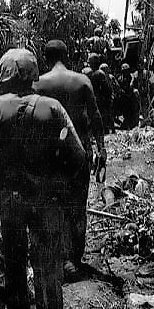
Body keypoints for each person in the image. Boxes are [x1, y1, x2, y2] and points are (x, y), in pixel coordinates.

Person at [0, 48, 86, 309]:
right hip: (47, 200)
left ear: (4, 73)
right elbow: (78, 155)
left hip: (12, 199)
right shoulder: (53, 108)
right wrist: (59, 183)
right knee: (48, 261)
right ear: (33, 74)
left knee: (14, 262)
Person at [33, 40, 107, 278]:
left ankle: (54, 254)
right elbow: (96, 118)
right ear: (67, 56)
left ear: (45, 58)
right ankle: (73, 259)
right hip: (79, 153)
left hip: (49, 156)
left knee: (51, 203)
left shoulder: (38, 84)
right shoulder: (82, 81)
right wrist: (101, 150)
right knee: (77, 207)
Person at [86, 53, 114, 134]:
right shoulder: (99, 73)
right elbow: (106, 88)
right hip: (100, 99)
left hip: (99, 99)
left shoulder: (96, 73)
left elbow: (105, 87)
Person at [117, 63, 141, 129]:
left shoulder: (132, 77)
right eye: (124, 71)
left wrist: (131, 87)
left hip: (132, 95)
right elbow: (119, 88)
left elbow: (133, 86)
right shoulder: (120, 79)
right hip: (125, 97)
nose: (125, 73)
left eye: (126, 71)